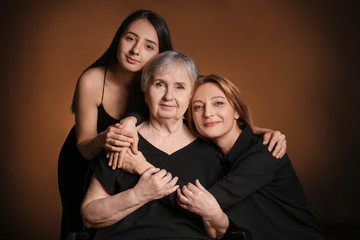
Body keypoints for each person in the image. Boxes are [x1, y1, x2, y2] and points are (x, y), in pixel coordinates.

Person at [81, 51, 230, 239]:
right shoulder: (124, 140)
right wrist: (138, 195)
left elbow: (219, 230)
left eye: (179, 87)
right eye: (160, 84)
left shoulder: (211, 150)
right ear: (145, 89)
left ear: (191, 95)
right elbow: (89, 216)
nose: (168, 96)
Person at [58, 9, 173, 240]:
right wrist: (103, 138)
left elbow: (202, 109)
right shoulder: (92, 80)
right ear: (118, 38)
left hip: (124, 168)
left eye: (149, 46)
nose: (135, 50)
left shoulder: (162, 84)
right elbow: (84, 147)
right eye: (130, 38)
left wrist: (252, 131)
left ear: (161, 54)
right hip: (82, 162)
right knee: (78, 229)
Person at [176, 74, 325, 239]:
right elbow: (167, 120)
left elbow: (201, 203)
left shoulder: (266, 152)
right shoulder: (211, 153)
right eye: (197, 107)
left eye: (218, 103)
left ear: (237, 111)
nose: (208, 113)